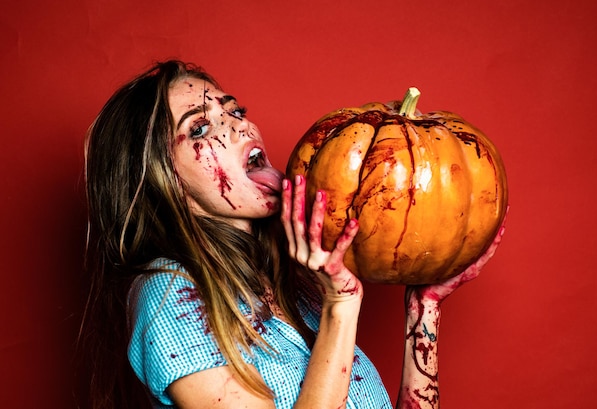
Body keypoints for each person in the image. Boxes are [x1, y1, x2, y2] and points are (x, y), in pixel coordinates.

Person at [80, 60, 505, 409]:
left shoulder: (297, 284)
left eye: (235, 111)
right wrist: (341, 306)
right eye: (200, 129)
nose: (238, 127)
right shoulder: (171, 296)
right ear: (161, 180)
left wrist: (423, 309)